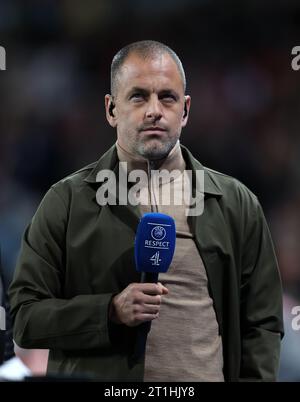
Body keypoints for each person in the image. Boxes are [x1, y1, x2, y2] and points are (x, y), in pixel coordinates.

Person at [8, 40, 284, 382]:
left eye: (167, 97)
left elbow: (263, 323)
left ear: (184, 110)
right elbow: (24, 318)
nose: (154, 110)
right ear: (111, 109)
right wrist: (108, 310)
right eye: (138, 96)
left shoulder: (236, 203)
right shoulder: (66, 201)